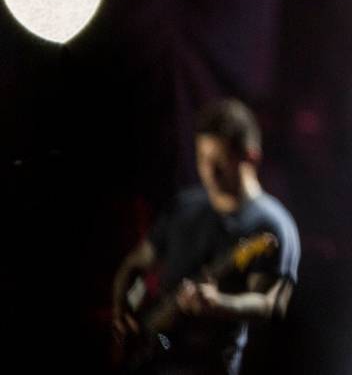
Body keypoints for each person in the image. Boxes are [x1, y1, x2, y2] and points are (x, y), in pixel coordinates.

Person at [112, 99, 301, 375]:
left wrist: (219, 303)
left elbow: (272, 304)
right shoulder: (185, 206)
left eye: (220, 161)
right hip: (158, 347)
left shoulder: (270, 224)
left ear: (250, 157)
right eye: (203, 158)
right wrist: (121, 315)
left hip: (207, 365)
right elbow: (134, 264)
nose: (209, 171)